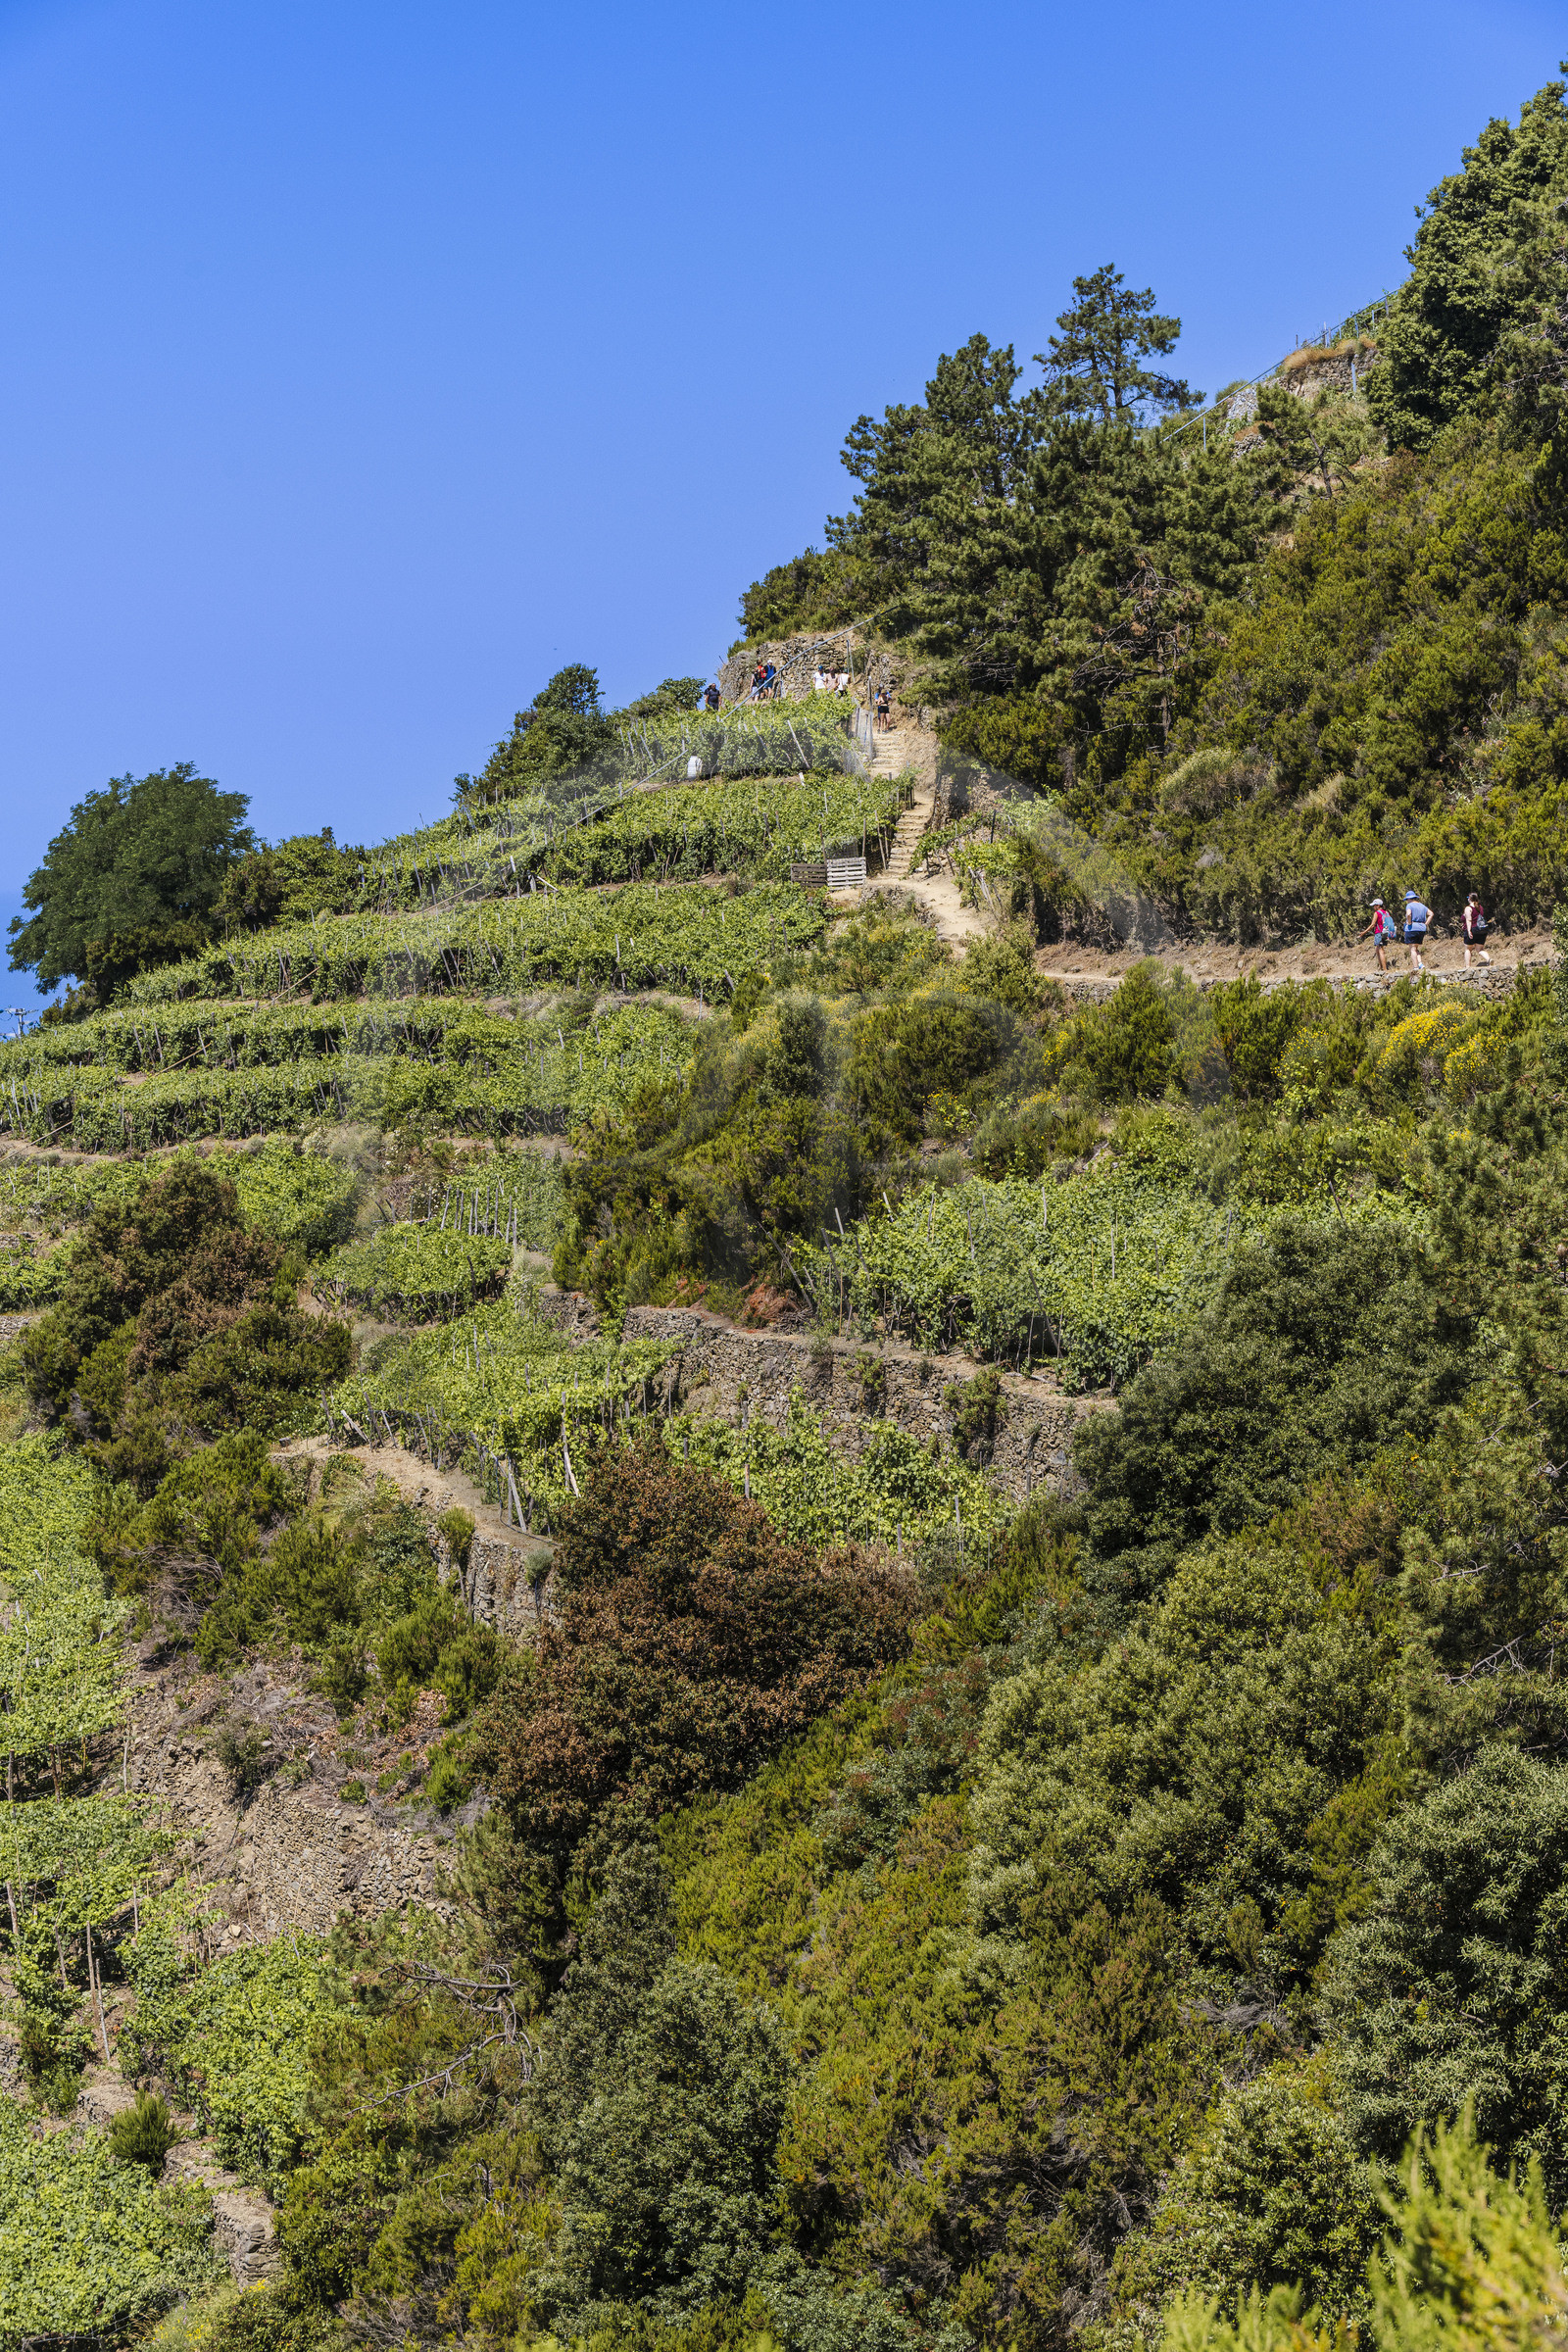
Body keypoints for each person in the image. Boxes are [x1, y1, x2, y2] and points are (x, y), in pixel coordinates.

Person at [1357, 897, 1396, 971]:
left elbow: (1372, 925)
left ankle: (1384, 969)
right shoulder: (1386, 912)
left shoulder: (1377, 913)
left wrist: (1364, 933)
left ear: (1378, 905)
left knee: (1381, 950)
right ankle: (1381, 967)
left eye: (1374, 905)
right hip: (1386, 932)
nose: (1373, 907)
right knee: (1378, 949)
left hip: (1379, 933)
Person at [1403, 887, 1433, 973]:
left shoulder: (1409, 905)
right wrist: (1426, 923)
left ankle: (1415, 967)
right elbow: (1431, 914)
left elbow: (1409, 914)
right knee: (1416, 947)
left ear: (1409, 899)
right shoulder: (1422, 906)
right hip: (1421, 928)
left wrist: (1409, 922)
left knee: (1412, 949)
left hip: (1412, 928)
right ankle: (1420, 964)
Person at [1463, 890, 1491, 967]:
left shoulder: (1468, 908)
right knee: (1480, 949)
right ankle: (1489, 959)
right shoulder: (1480, 907)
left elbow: (1469, 920)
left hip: (1473, 929)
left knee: (1468, 949)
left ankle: (1468, 967)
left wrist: (1469, 931)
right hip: (1482, 930)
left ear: (1470, 898)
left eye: (1468, 897)